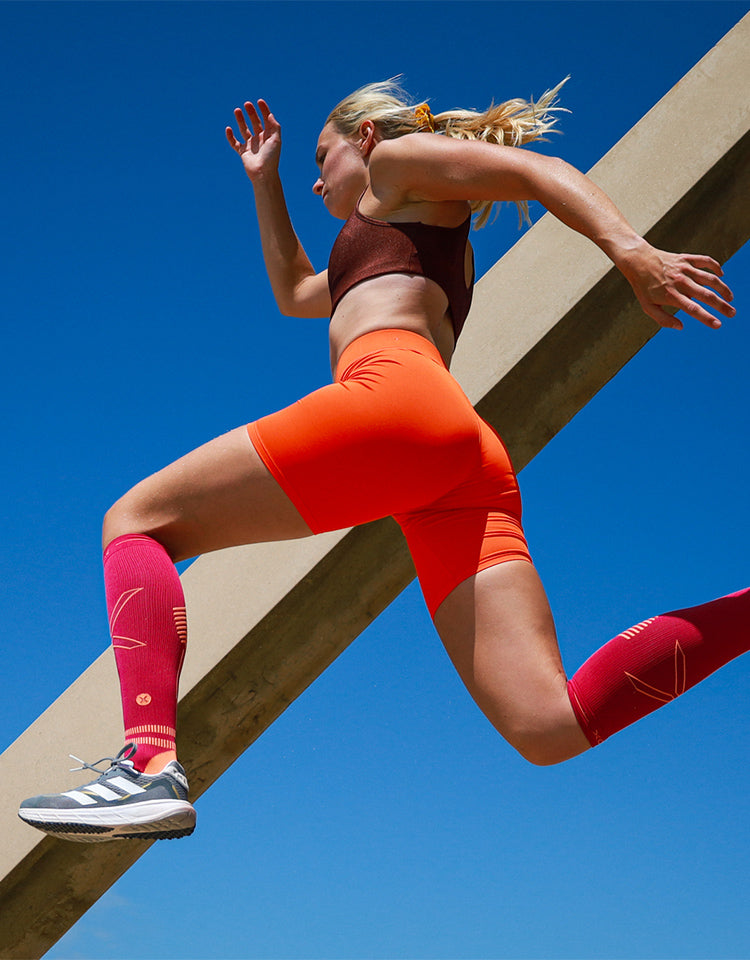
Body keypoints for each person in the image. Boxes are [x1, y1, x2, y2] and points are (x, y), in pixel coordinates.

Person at [19, 79, 746, 842]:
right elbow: (298, 292)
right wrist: (265, 183)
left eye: (320, 156)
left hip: (396, 399)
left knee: (135, 522)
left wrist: (631, 252)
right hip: (455, 458)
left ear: (364, 139)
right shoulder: (385, 233)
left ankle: (146, 763)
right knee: (548, 726)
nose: (316, 175)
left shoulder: (398, 164)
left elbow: (539, 172)